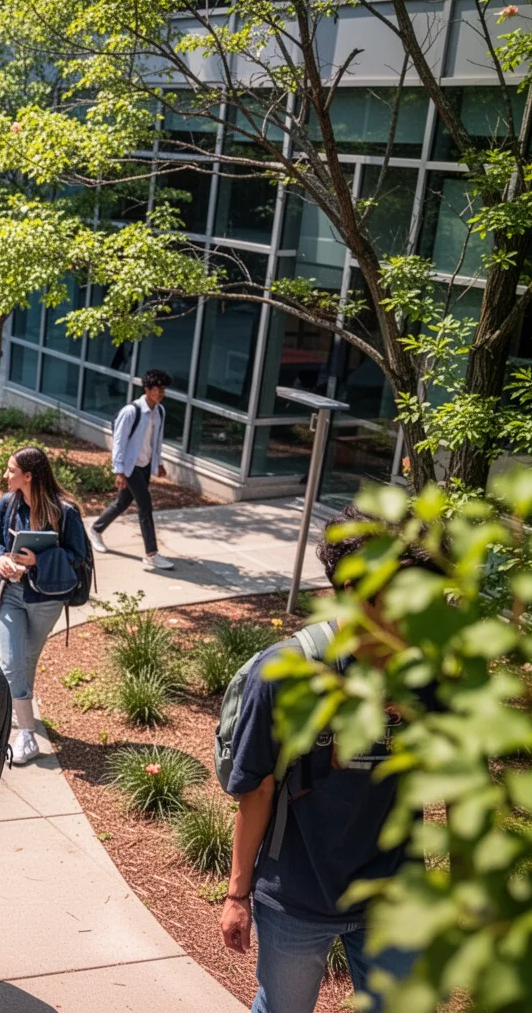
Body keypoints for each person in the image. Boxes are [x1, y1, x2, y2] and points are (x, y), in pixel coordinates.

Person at [219, 504, 437, 1013]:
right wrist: (237, 897)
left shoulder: (426, 673)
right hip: (297, 894)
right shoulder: (283, 673)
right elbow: (257, 789)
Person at [0, 446, 90, 767]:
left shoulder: (65, 512)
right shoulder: (8, 503)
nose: (5, 475)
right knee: (13, 662)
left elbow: (79, 556)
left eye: (10, 470)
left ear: (28, 476)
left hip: (47, 600)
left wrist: (38, 560)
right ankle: (27, 733)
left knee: (27, 659)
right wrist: (2, 558)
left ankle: (22, 711)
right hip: (11, 594)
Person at [89, 368, 175, 571]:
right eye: (156, 389)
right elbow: (118, 443)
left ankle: (95, 529)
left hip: (144, 466)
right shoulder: (131, 412)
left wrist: (158, 462)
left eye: (162, 390)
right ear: (146, 389)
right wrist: (119, 471)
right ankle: (151, 554)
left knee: (122, 502)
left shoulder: (159, 411)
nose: (160, 394)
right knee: (145, 507)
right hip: (130, 467)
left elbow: (157, 440)